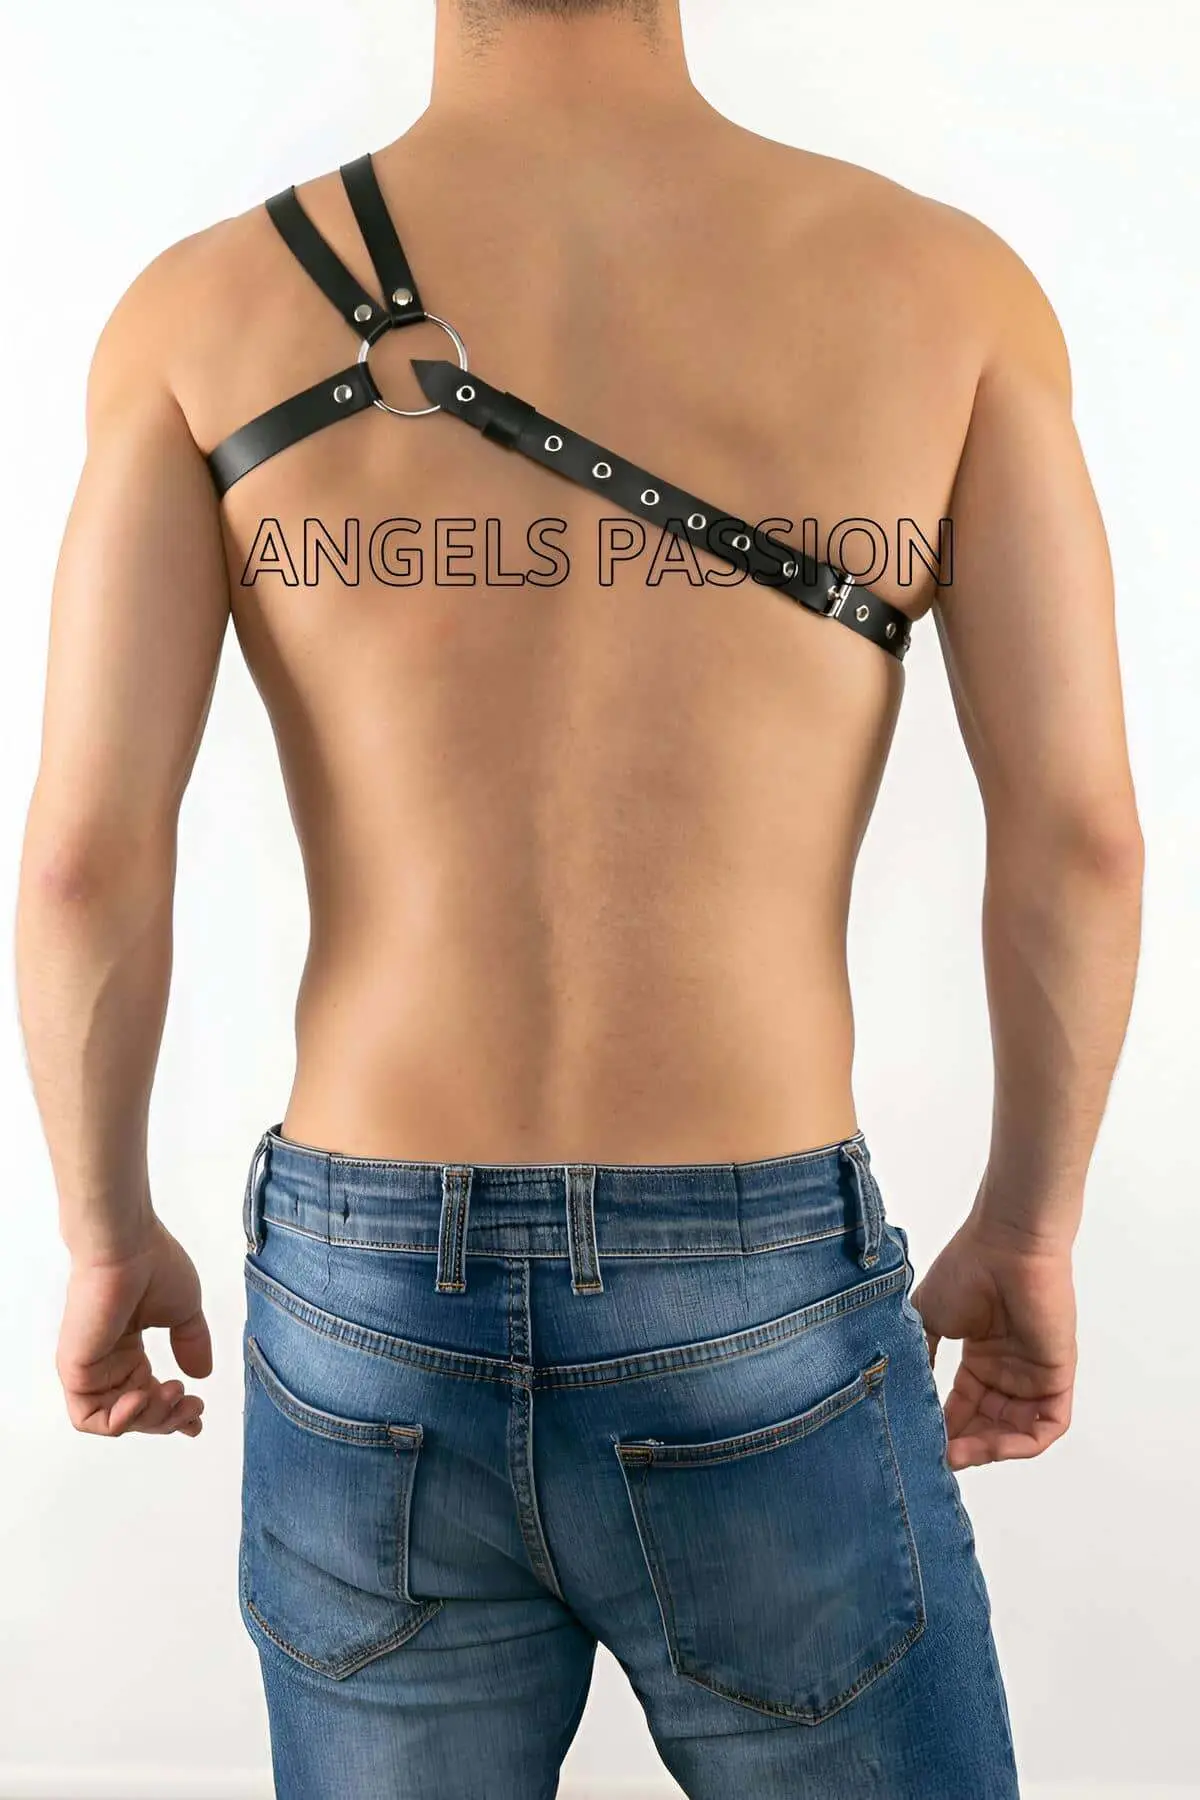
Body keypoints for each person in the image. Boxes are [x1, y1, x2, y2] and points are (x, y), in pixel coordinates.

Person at [14, 1, 1143, 1795]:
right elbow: (1081, 835)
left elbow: (83, 854)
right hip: (757, 1264)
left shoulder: (202, 311)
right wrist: (1033, 1223)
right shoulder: (947, 292)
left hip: (364, 1285)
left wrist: (102, 1230)